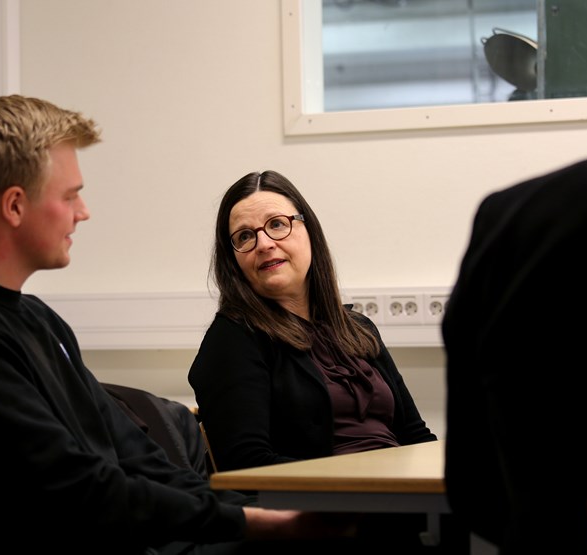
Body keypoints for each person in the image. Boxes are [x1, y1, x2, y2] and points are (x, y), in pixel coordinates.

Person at [0, 95, 360, 555]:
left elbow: (141, 459)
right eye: (70, 195)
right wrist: (252, 523)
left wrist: (252, 514)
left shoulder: (41, 321)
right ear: (15, 206)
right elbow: (80, 489)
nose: (83, 212)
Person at [188, 170, 457, 552]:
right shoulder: (233, 339)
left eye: (277, 225)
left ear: (308, 230)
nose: (264, 242)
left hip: (404, 505)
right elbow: (246, 468)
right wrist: (366, 482)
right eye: (245, 236)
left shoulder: (357, 328)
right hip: (329, 519)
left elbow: (415, 436)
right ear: (234, 261)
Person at [441, 145, 587, 554]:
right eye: (259, 233)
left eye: (279, 224)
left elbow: (472, 477)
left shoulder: (514, 213)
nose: (267, 245)